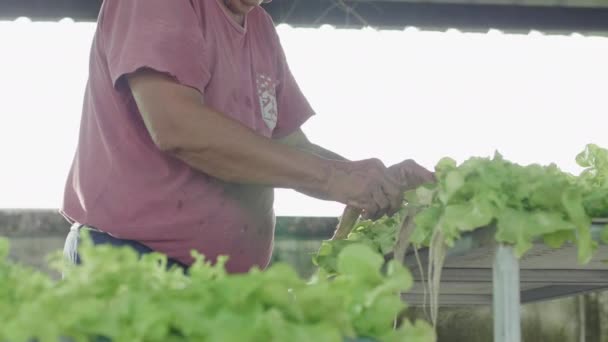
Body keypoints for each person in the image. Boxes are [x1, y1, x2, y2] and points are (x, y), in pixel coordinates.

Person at [61, 0, 434, 274]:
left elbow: (289, 147)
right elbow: (177, 127)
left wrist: (368, 179)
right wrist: (336, 178)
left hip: (218, 282)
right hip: (132, 264)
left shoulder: (259, 27)